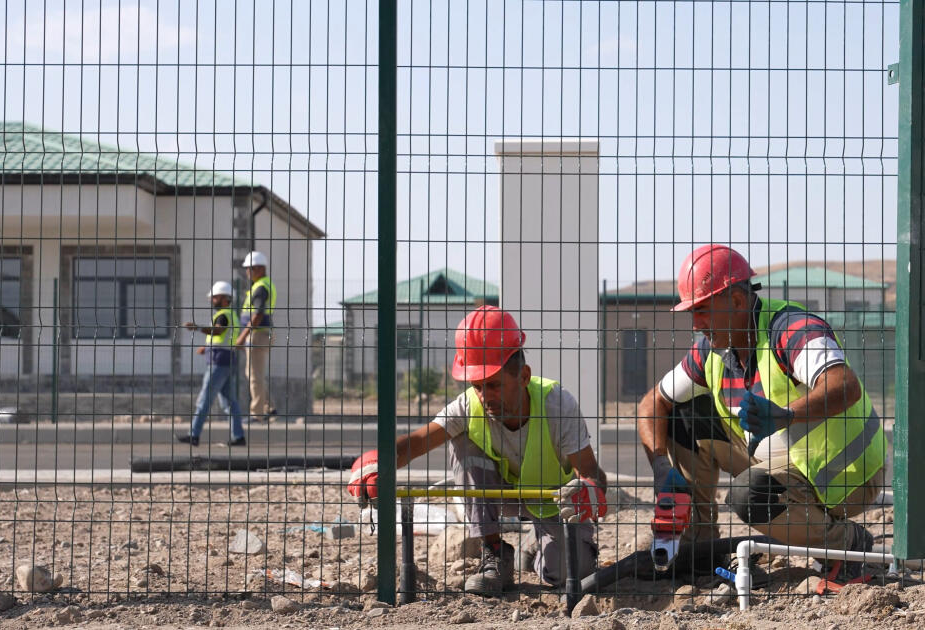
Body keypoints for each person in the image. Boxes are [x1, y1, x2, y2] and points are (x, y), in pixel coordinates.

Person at [636, 244, 887, 584]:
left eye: (704, 310)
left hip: (847, 475)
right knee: (684, 413)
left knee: (749, 495)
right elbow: (652, 403)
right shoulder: (711, 349)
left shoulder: (793, 328)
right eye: (692, 313)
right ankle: (702, 550)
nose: (696, 324)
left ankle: (848, 543)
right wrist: (662, 467)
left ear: (738, 301)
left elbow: (845, 385)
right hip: (781, 460)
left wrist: (784, 415)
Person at [347, 306, 608, 595]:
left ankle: (534, 546)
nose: (484, 396)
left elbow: (592, 473)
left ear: (523, 376)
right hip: (501, 495)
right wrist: (378, 462)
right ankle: (495, 553)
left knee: (569, 573)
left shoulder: (557, 406)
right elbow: (417, 442)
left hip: (555, 503)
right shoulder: (468, 405)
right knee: (461, 439)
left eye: (494, 385)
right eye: (477, 386)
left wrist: (590, 490)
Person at [178, 281, 246, 447]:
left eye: (215, 297)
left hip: (219, 362)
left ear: (225, 298)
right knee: (229, 402)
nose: (212, 300)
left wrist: (197, 328)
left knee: (205, 398)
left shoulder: (223, 315)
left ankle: (193, 435)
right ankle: (238, 437)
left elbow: (219, 331)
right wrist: (206, 347)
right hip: (227, 360)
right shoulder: (231, 315)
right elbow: (223, 337)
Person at [235, 251, 277, 421]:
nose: (247, 272)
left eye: (249, 268)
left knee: (255, 376)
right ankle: (270, 407)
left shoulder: (260, 288)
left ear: (259, 268)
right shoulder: (261, 285)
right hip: (259, 334)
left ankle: (257, 414)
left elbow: (257, 315)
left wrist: (242, 336)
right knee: (253, 374)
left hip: (257, 334)